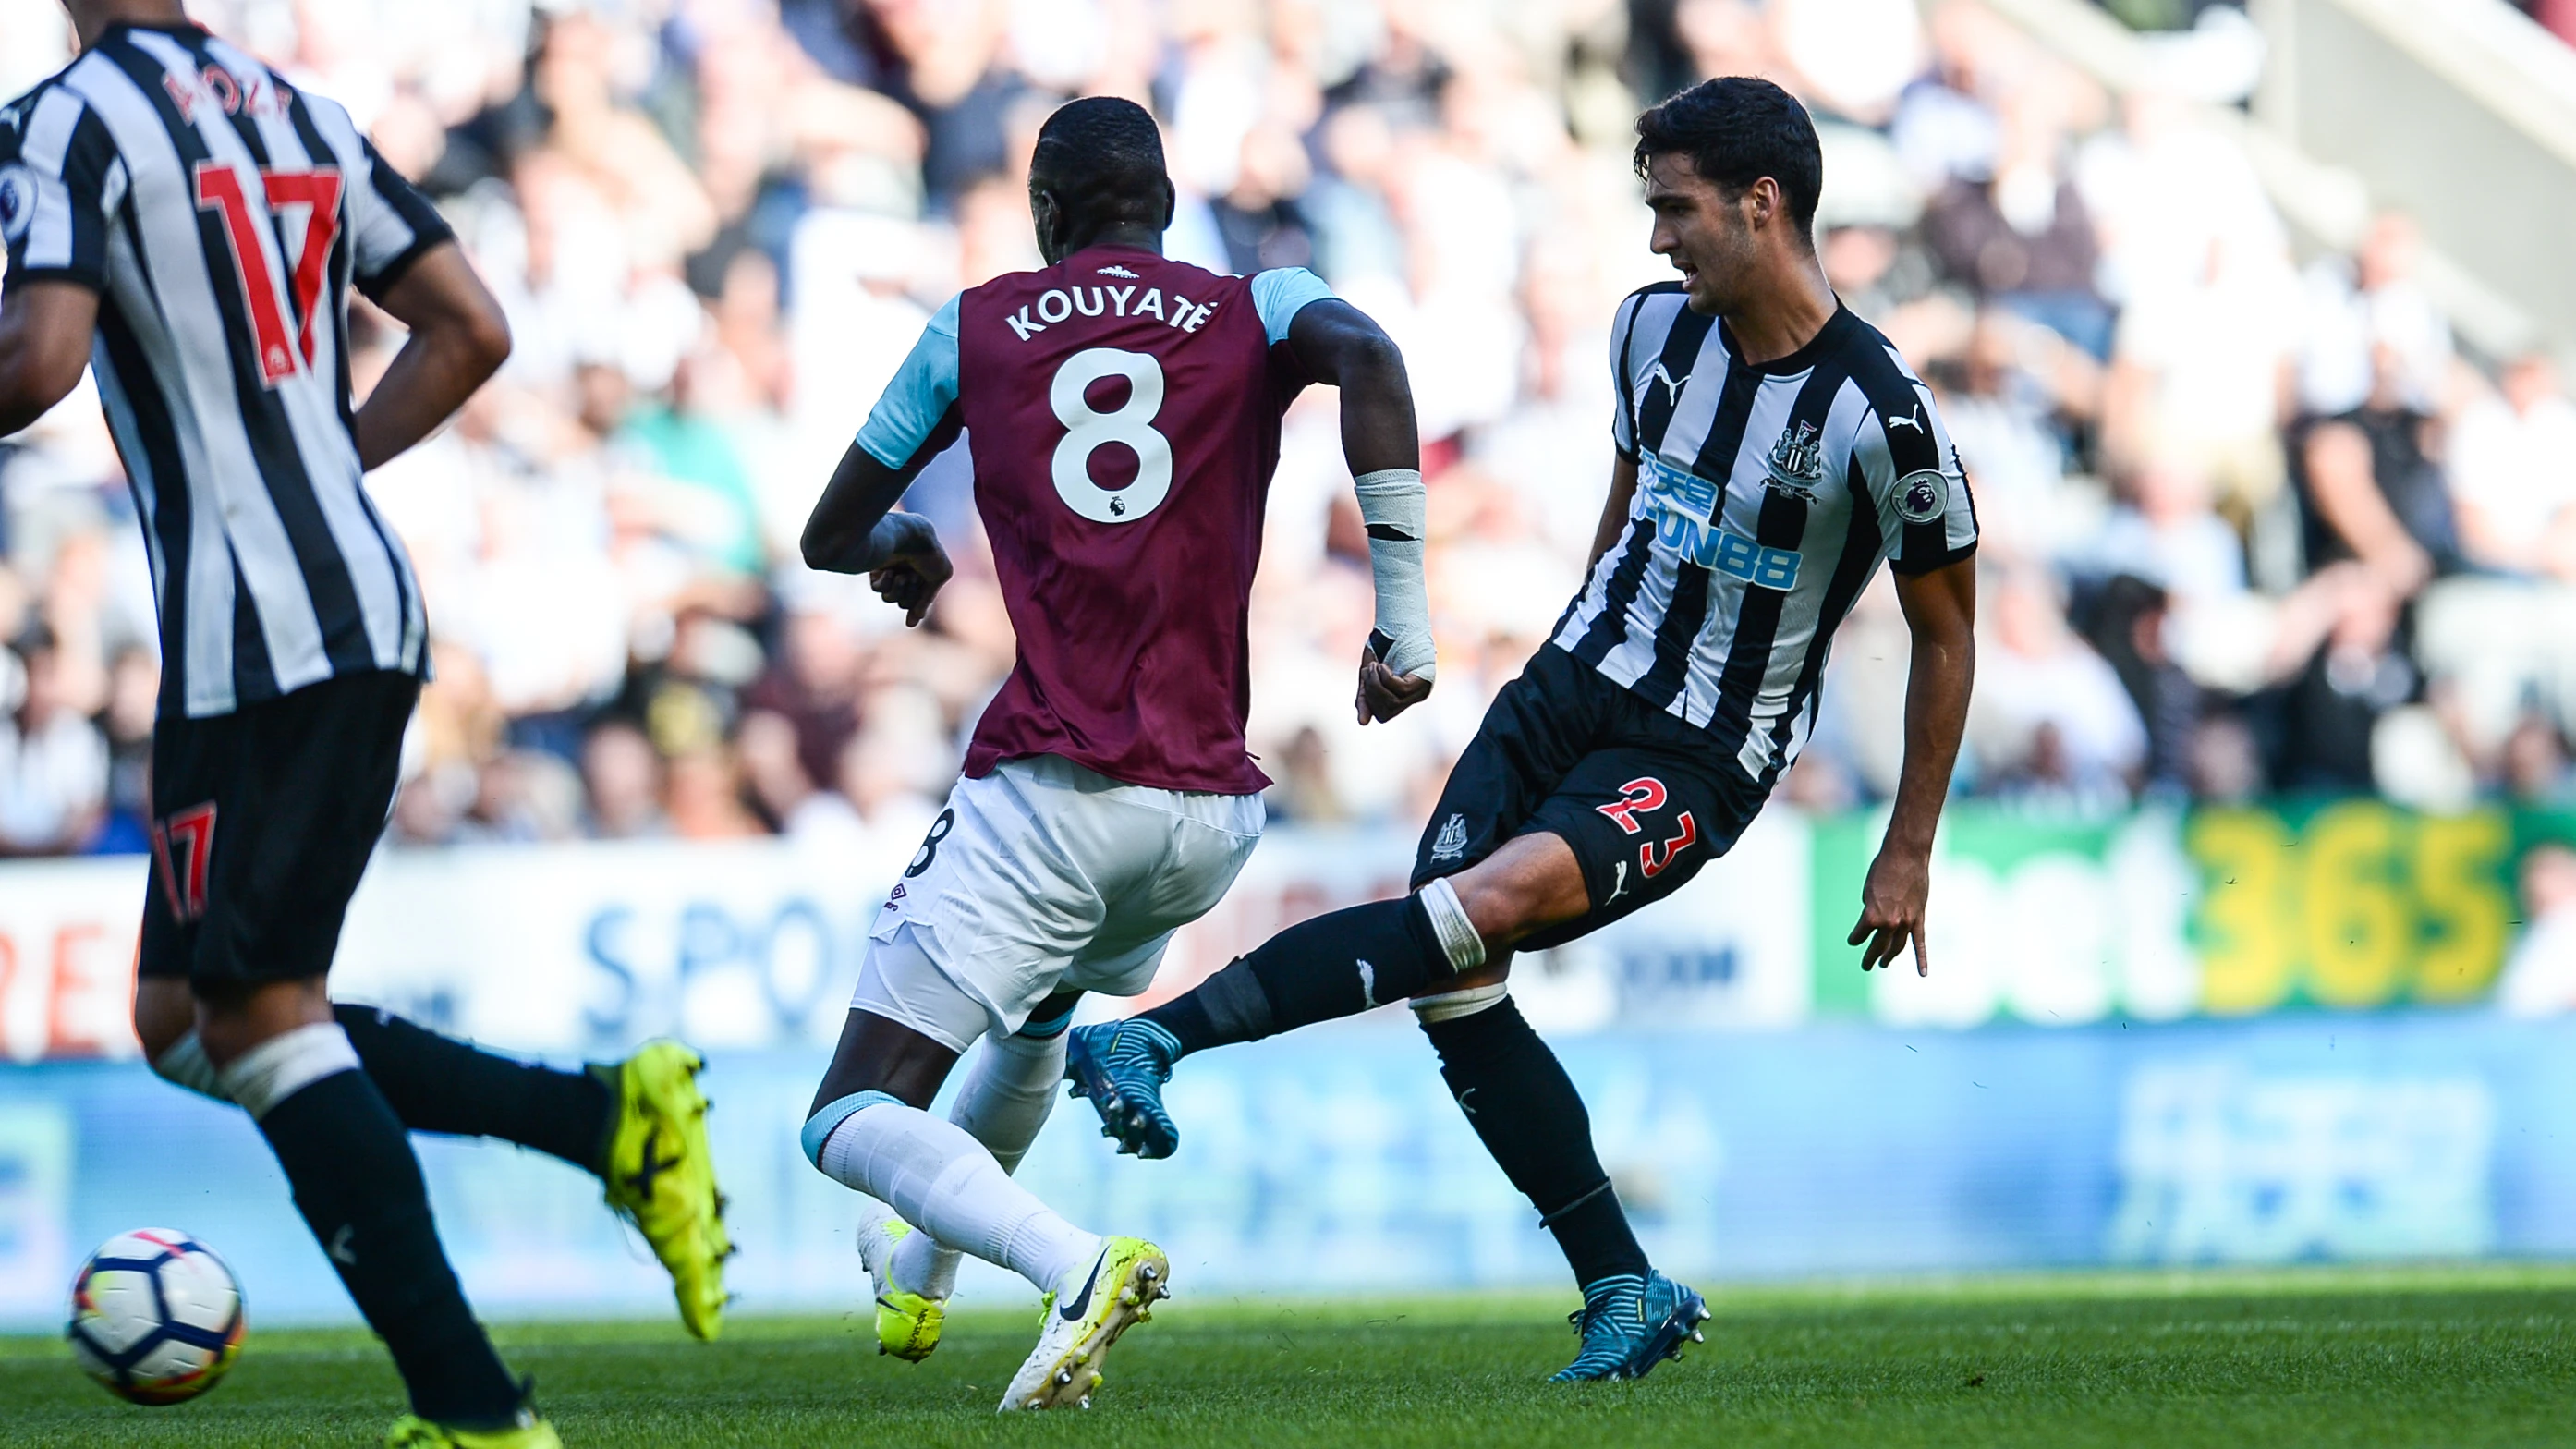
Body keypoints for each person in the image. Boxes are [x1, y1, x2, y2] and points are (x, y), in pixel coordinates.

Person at [1065, 76, 1981, 1382]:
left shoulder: (1879, 415)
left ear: (1762, 204)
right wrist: (1564, 647)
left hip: (1700, 750)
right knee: (1451, 969)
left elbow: (1947, 634)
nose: (1658, 238)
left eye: (1679, 209)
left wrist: (1909, 845)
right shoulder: (1647, 331)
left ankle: (1157, 1034)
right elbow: (1633, 504)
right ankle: (1624, 1286)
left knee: (1471, 910)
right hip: (1566, 688)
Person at [0, 7, 729, 1446]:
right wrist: (319, 470)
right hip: (334, 606)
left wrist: (280, 488)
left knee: (257, 1016)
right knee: (183, 1018)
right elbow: (473, 327)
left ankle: (477, 1414)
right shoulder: (295, 106)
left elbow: (38, 361)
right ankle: (604, 1122)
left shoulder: (65, 119)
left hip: (261, 634)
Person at [792, 95, 1431, 1412]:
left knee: (847, 1113)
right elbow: (1370, 356)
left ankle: (1075, 1269)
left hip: (1058, 786)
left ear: (1045, 216)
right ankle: (920, 1268)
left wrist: (903, 546)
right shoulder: (1257, 303)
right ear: (1169, 208)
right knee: (1036, 1014)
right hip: (1207, 820)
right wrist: (1403, 627)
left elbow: (829, 532)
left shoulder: (974, 326)